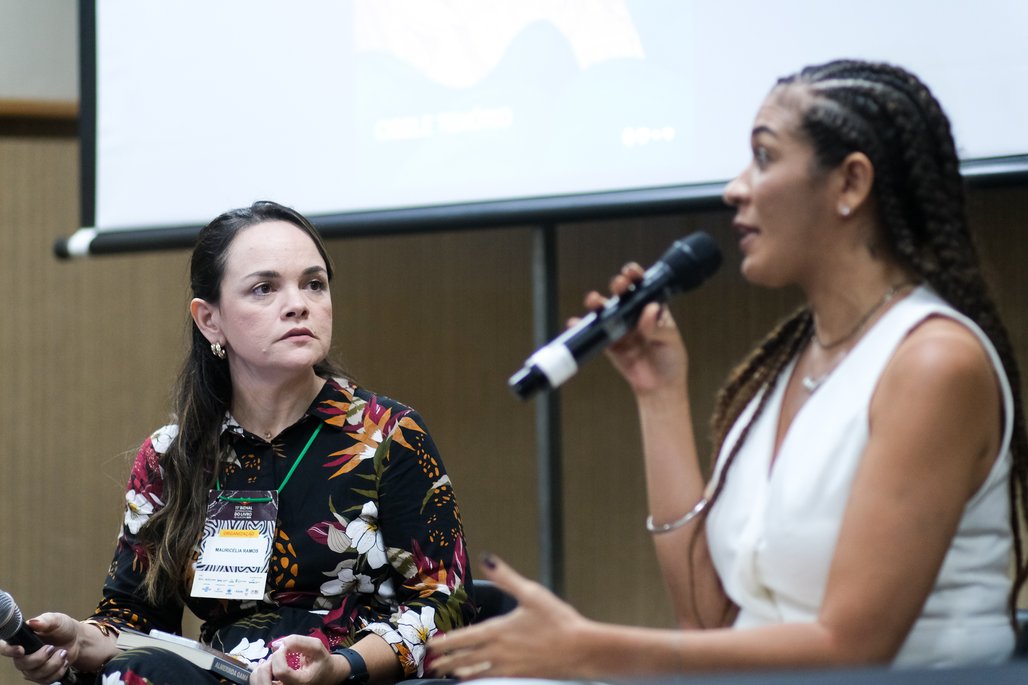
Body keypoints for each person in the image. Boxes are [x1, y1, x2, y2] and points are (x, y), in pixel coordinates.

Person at [428, 59, 1028, 679]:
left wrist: (591, 649)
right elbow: (711, 621)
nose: (735, 189)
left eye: (764, 158)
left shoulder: (934, 363)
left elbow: (855, 648)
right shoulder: (791, 366)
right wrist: (657, 393)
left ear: (850, 184)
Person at [0, 201, 475, 684]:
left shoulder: (389, 436)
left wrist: (339, 666)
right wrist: (78, 642)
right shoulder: (172, 456)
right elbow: (135, 619)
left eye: (314, 283)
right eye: (265, 288)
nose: (299, 303)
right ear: (210, 320)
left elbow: (445, 608)